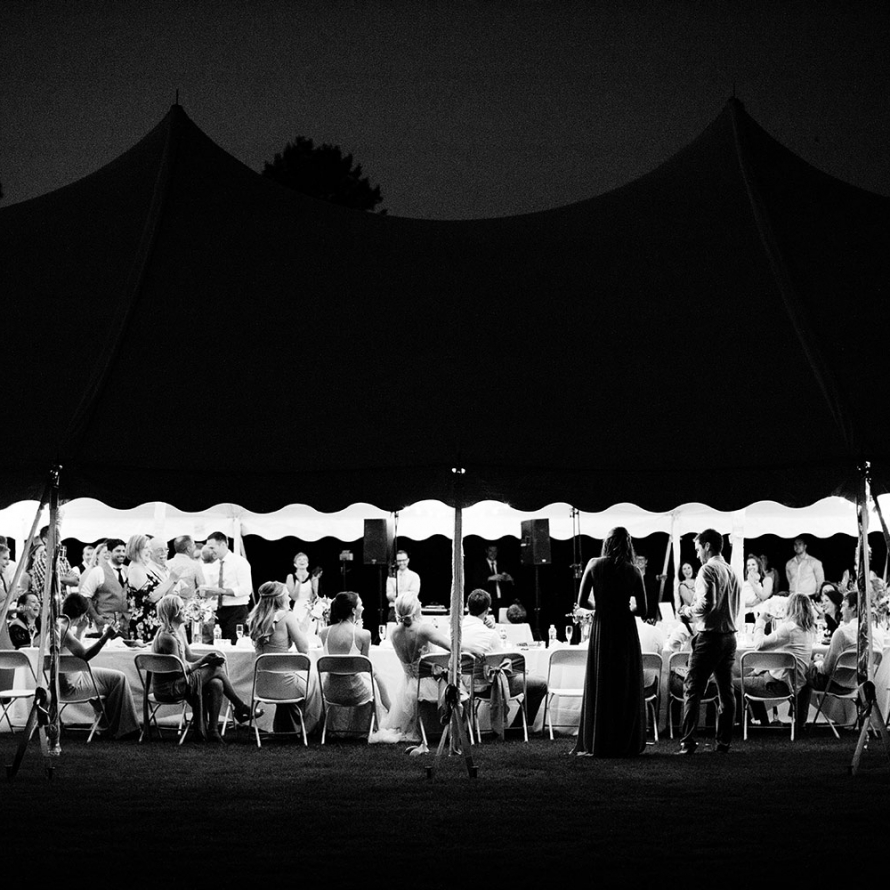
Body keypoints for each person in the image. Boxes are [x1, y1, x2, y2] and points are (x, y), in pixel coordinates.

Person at [570, 528, 649, 757]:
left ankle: (600, 739)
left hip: (603, 627)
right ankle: (624, 740)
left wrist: (602, 605)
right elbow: (643, 610)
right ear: (628, 545)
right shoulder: (634, 571)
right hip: (625, 629)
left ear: (607, 542)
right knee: (624, 682)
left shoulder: (594, 564)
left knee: (602, 679)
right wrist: (626, 607)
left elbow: (581, 601)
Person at [152, 594, 260, 744]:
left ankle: (213, 731)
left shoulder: (179, 631)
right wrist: (205, 661)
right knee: (216, 670)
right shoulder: (167, 638)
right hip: (170, 688)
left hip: (180, 681)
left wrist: (208, 658)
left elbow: (189, 656)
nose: (185, 611)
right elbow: (179, 670)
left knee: (217, 683)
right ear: (173, 612)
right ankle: (240, 707)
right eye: (181, 608)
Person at [677, 528, 741, 755]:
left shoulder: (708, 569)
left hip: (710, 637)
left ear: (707, 546)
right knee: (726, 691)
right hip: (729, 637)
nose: (697, 555)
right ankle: (723, 742)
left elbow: (707, 605)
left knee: (693, 687)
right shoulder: (732, 571)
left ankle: (687, 742)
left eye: (698, 549)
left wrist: (687, 610)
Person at [57, 593, 140, 740]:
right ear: (82, 614)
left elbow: (75, 650)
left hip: (64, 681)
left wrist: (81, 630)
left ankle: (109, 725)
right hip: (72, 686)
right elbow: (85, 655)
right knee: (118, 679)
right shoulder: (64, 631)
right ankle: (124, 729)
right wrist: (106, 636)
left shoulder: (58, 625)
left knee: (117, 678)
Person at [377, 591, 452, 744]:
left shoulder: (394, 633)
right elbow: (451, 646)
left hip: (408, 684)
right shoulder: (424, 629)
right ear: (416, 608)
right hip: (429, 683)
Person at [736, 592, 816, 728]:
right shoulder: (808, 630)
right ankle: (762, 721)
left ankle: (745, 723)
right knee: (753, 675)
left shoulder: (789, 629)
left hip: (780, 685)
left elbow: (759, 645)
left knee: (733, 684)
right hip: (796, 682)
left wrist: (760, 621)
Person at [247, 581, 311, 735]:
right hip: (285, 685)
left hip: (262, 686)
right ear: (280, 598)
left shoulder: (256, 619)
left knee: (292, 680)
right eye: (287, 595)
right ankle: (309, 729)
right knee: (314, 680)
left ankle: (285, 729)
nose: (289, 598)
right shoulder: (287, 617)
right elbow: (304, 649)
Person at [319, 591, 390, 713]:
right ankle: (389, 709)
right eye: (360, 605)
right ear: (353, 610)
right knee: (376, 674)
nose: (363, 608)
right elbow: (365, 668)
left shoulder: (324, 633)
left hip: (330, 692)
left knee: (375, 674)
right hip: (354, 692)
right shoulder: (364, 634)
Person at [200, 531, 253, 645]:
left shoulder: (239, 562)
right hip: (219, 610)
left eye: (212, 548)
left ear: (223, 545)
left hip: (237, 610)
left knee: (234, 643)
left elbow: (246, 588)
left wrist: (222, 591)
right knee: (218, 643)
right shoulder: (213, 565)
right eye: (209, 548)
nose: (211, 551)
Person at [125, 534, 180, 642]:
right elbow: (151, 597)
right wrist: (170, 580)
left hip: (156, 622)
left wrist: (173, 582)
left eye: (150, 548)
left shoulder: (143, 568)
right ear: (136, 549)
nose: (150, 551)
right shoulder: (135, 569)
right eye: (146, 548)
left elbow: (162, 595)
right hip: (144, 624)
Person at [80, 538, 129, 630]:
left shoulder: (128, 570)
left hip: (127, 625)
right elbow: (85, 596)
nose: (122, 554)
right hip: (106, 625)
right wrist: (97, 618)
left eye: (123, 551)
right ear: (109, 553)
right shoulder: (98, 571)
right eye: (118, 551)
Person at [468, 544, 515, 613]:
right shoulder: (480, 565)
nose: (493, 553)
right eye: (490, 551)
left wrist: (511, 580)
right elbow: (475, 582)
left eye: (495, 551)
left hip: (502, 601)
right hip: (487, 601)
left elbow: (512, 584)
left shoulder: (503, 564)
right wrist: (489, 578)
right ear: (486, 551)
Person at [285, 551, 322, 632]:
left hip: (310, 608)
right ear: (295, 564)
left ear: (307, 563)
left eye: (304, 559)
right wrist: (299, 583)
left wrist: (315, 581)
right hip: (297, 607)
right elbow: (293, 597)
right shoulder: (291, 577)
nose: (302, 561)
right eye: (299, 559)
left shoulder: (312, 577)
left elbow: (315, 596)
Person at [166, 536, 206, 601]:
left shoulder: (166, 564)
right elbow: (202, 592)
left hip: (167, 604)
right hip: (187, 605)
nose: (195, 547)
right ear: (188, 548)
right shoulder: (195, 565)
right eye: (194, 545)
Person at [385, 550, 420, 621]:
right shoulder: (391, 576)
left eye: (404, 560)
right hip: (394, 610)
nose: (401, 563)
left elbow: (413, 594)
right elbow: (389, 595)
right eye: (399, 561)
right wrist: (404, 597)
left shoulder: (414, 576)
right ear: (396, 562)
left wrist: (399, 598)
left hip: (410, 610)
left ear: (408, 560)